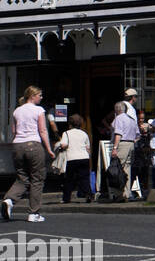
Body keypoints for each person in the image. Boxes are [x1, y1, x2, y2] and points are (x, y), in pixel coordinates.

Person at [4, 85, 56, 222]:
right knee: (37, 178)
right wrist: (49, 149)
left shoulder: (16, 111)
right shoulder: (39, 110)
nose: (41, 97)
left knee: (22, 177)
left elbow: (14, 131)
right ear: (32, 96)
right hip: (33, 144)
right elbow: (43, 131)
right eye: (40, 95)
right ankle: (34, 213)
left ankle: (9, 200)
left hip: (17, 145)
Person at [57, 114, 94, 204]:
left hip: (72, 157)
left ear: (70, 123)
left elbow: (64, 145)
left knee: (69, 179)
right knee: (84, 178)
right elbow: (88, 148)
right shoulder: (84, 133)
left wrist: (60, 147)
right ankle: (88, 194)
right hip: (84, 157)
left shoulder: (66, 133)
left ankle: (66, 198)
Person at [110, 99, 140, 202]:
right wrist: (132, 142)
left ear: (117, 109)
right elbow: (138, 135)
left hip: (122, 144)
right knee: (127, 169)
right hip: (131, 144)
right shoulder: (131, 119)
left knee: (117, 169)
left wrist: (115, 148)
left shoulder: (119, 118)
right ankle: (127, 193)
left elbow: (118, 134)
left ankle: (119, 194)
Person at [132, 119, 152, 201]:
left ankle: (145, 194)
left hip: (144, 161)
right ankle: (130, 193)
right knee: (133, 177)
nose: (142, 128)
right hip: (138, 161)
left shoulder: (149, 137)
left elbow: (148, 149)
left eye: (144, 127)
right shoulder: (138, 137)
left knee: (144, 179)